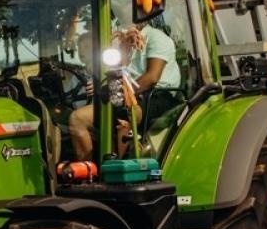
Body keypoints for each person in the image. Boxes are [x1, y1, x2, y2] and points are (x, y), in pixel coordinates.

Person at [69, 19, 183, 159]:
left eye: (123, 17)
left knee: (123, 112)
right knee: (77, 118)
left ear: (139, 17)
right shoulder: (126, 44)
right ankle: (90, 173)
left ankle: (120, 167)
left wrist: (118, 92)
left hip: (157, 96)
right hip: (131, 94)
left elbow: (152, 78)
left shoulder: (157, 38)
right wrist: (102, 84)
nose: (119, 25)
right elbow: (118, 74)